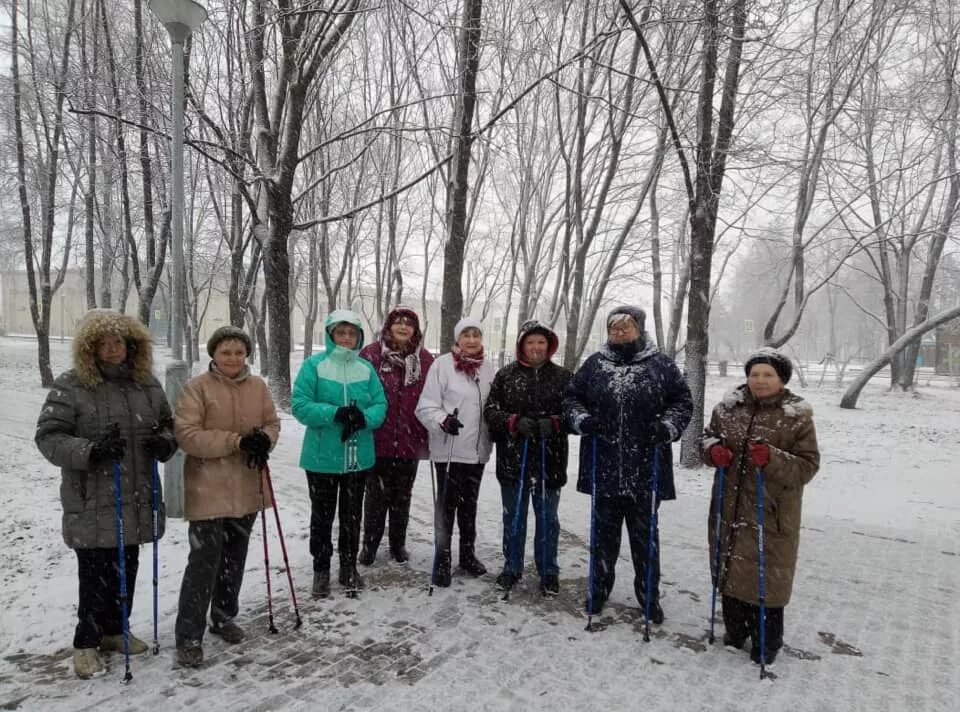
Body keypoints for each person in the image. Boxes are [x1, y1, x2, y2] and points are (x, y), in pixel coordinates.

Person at [35, 309, 177, 679]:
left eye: (120, 342)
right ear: (90, 347)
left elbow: (168, 423)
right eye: (104, 343)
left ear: (132, 345)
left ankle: (116, 630)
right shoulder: (72, 386)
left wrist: (165, 442)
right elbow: (49, 437)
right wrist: (91, 451)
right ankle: (85, 642)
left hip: (136, 495)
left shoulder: (146, 384)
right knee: (94, 575)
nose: (113, 349)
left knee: (126, 568)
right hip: (92, 498)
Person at [564, 305, 692, 622]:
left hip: (645, 467)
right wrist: (582, 419)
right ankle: (599, 588)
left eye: (626, 327)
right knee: (603, 537)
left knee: (644, 539)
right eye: (614, 328)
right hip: (603, 466)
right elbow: (571, 399)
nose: (620, 332)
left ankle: (649, 596)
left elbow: (682, 401)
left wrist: (667, 426)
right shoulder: (595, 365)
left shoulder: (660, 365)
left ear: (639, 329)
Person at [700, 347, 820, 665]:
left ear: (781, 379)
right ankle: (736, 631)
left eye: (768, 375)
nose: (760, 380)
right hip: (729, 505)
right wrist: (713, 452)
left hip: (772, 511)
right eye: (754, 374)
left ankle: (767, 641)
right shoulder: (728, 408)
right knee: (730, 566)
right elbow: (707, 437)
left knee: (766, 573)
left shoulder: (796, 417)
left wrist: (773, 459)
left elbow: (807, 466)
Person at [172, 326, 280, 667]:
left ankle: (223, 616)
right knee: (204, 563)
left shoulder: (258, 386)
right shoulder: (197, 388)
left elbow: (272, 423)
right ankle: (189, 634)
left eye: (238, 352)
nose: (233, 358)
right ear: (214, 355)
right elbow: (188, 436)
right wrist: (235, 442)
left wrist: (264, 438)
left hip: (247, 486)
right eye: (226, 352)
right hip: (208, 487)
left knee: (235, 556)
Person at [292, 310, 387, 598]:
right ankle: (321, 569)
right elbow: (300, 405)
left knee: (352, 515)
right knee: (322, 517)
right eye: (341, 332)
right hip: (322, 457)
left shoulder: (366, 369)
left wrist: (363, 418)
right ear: (331, 334)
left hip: (357, 457)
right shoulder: (314, 366)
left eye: (352, 333)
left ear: (358, 337)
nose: (346, 338)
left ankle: (348, 567)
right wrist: (335, 412)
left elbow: (380, 405)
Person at [484, 320, 572, 596]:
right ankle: (512, 566)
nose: (536, 347)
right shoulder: (506, 375)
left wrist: (556, 423)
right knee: (514, 517)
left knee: (547, 518)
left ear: (549, 346)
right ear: (522, 345)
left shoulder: (563, 377)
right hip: (514, 458)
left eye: (541, 342)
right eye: (530, 342)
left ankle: (548, 570)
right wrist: (512, 422)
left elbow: (576, 415)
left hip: (550, 457)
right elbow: (490, 412)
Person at [415, 316, 495, 586]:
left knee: (469, 506)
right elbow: (425, 405)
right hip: (449, 449)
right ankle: (443, 557)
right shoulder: (442, 366)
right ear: (457, 338)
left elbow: (494, 406)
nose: (472, 340)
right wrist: (443, 420)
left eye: (476, 335)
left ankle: (467, 555)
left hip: (477, 451)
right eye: (466, 335)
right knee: (447, 507)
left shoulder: (488, 369)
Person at [358, 307, 435, 565]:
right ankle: (370, 544)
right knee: (376, 495)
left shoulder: (424, 360)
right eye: (398, 322)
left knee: (402, 495)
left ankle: (397, 544)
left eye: (409, 324)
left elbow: (432, 397)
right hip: (377, 438)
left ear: (415, 330)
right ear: (389, 326)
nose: (403, 327)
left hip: (410, 439)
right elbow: (361, 392)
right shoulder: (370, 355)